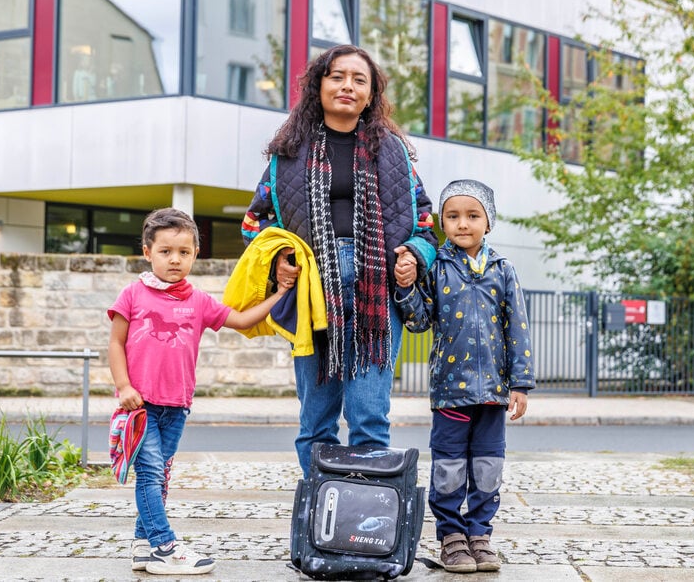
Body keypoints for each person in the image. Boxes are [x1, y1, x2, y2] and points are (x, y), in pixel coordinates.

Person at [241, 44, 439, 474]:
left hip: (378, 291)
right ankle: (322, 520)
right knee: (316, 419)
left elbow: (426, 226)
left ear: (371, 95)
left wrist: (413, 256)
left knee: (369, 417)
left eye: (359, 79)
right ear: (319, 85)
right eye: (337, 76)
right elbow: (254, 224)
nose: (347, 85)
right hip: (313, 291)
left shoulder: (395, 153)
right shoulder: (287, 153)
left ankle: (365, 521)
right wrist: (279, 261)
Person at [107, 207, 294, 575]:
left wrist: (282, 292)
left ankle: (143, 547)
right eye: (165, 251)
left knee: (160, 475)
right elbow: (115, 344)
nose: (174, 259)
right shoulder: (132, 295)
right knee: (149, 474)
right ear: (147, 252)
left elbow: (240, 321)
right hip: (139, 405)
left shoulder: (199, 301)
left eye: (184, 252)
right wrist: (124, 386)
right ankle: (164, 545)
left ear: (195, 254)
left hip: (176, 407)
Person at [394, 179, 535, 573]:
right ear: (442, 223)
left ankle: (480, 535)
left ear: (488, 222)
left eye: (472, 216)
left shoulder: (502, 269)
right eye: (452, 216)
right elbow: (420, 321)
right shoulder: (436, 267)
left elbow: (517, 329)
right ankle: (452, 537)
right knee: (449, 467)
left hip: (493, 393)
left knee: (489, 467)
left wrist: (520, 384)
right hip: (450, 393)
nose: (462, 224)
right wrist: (406, 289)